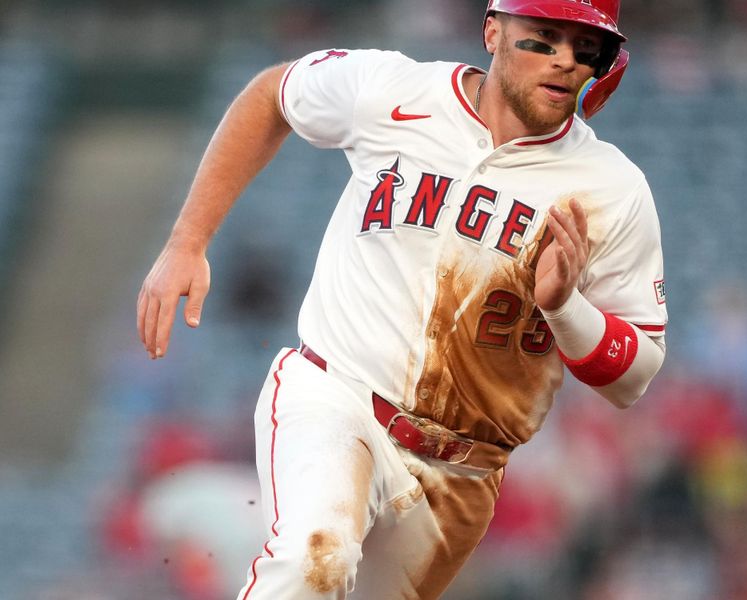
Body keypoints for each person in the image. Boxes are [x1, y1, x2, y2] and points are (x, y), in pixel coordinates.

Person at [137, 0, 668, 598]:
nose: (565, 60)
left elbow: (636, 374)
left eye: (585, 47)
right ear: (493, 31)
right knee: (318, 559)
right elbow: (271, 96)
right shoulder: (392, 92)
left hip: (461, 473)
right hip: (339, 399)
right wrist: (188, 241)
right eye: (543, 38)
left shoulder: (612, 190)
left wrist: (566, 308)